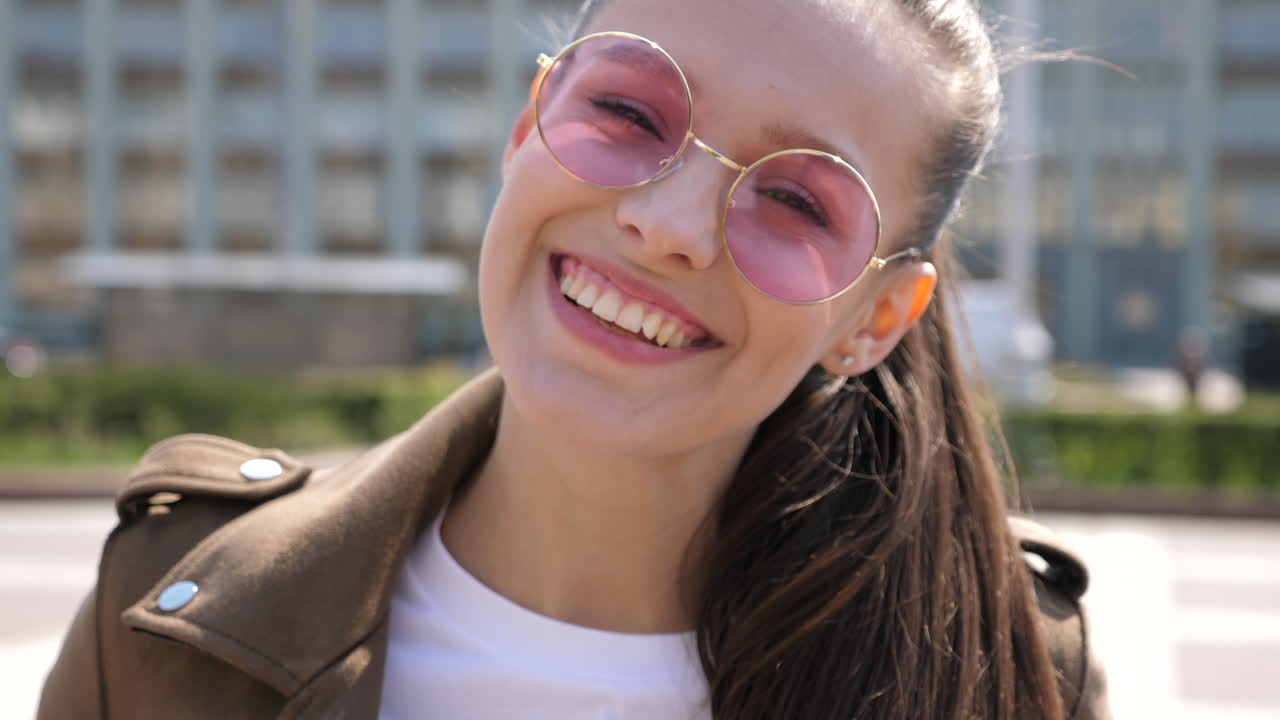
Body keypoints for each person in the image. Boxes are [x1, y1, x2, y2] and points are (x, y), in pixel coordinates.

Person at [38, 0, 1111, 718]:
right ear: (525, 130)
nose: (669, 223)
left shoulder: (1007, 670)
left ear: (874, 318)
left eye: (792, 199)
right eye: (628, 111)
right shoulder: (173, 608)